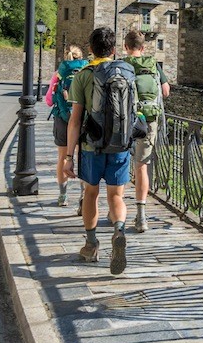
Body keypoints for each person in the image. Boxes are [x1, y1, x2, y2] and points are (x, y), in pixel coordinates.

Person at [62, 27, 132, 274]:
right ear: (113, 50)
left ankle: (91, 246)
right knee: (117, 196)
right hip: (120, 144)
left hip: (91, 146)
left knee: (91, 193)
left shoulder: (83, 75)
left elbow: (74, 120)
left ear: (90, 49)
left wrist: (69, 157)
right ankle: (119, 231)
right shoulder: (126, 73)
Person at [122, 30, 170, 233]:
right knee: (142, 167)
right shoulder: (154, 65)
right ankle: (141, 217)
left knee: (122, 163)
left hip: (124, 122)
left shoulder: (122, 65)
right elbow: (166, 91)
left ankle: (117, 209)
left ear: (125, 47)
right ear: (143, 48)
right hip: (148, 121)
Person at [44, 44, 86, 209]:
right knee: (82, 157)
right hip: (82, 119)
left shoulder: (58, 74)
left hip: (62, 119)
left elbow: (48, 100)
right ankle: (83, 195)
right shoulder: (85, 72)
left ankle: (63, 195)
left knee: (62, 157)